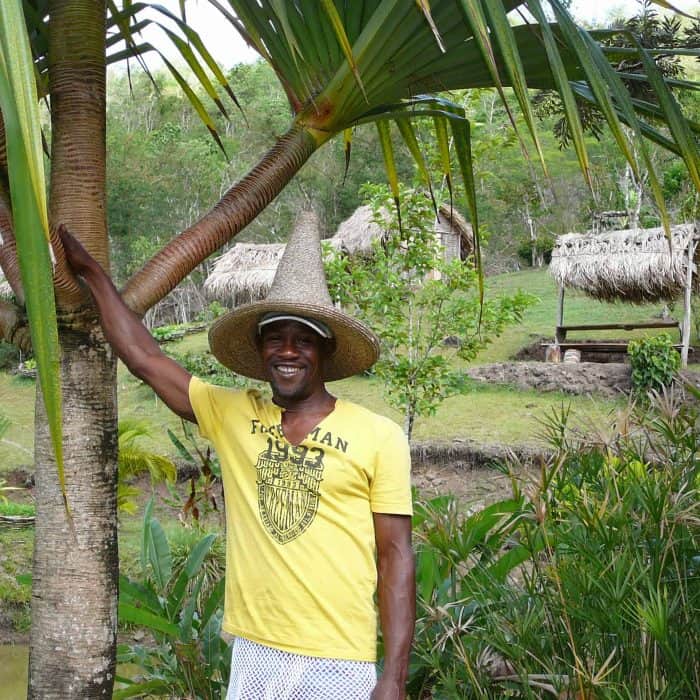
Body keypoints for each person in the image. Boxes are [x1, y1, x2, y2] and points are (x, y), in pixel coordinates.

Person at [58, 219, 415, 700]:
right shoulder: (233, 414)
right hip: (254, 652)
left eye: (303, 340)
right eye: (275, 338)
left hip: (339, 657)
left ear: (325, 351)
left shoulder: (380, 436)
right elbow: (145, 358)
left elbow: (395, 556)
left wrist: (392, 676)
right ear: (260, 349)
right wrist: (93, 275)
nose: (288, 351)